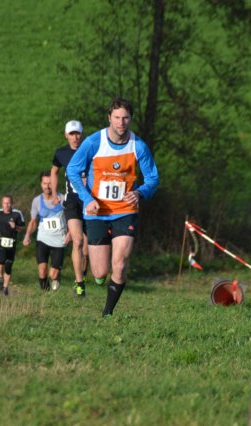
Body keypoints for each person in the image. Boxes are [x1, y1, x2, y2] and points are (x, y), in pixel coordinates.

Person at [66, 97, 159, 316]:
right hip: (97, 211)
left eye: (125, 118)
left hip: (125, 210)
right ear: (109, 118)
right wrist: (87, 199)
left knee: (120, 263)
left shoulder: (138, 146)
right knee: (100, 272)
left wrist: (140, 192)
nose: (121, 122)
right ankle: (100, 277)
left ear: (131, 119)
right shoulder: (93, 142)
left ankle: (107, 313)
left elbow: (153, 178)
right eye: (117, 117)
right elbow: (72, 170)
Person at [50, 120, 89, 297]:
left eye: (78, 133)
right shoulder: (61, 153)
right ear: (66, 135)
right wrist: (54, 193)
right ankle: (79, 284)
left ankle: (84, 275)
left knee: (88, 246)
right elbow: (54, 171)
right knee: (78, 241)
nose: (75, 137)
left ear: (82, 134)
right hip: (72, 201)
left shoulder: (90, 150)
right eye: (72, 134)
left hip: (90, 201)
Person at [23, 171, 69, 292]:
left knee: (53, 274)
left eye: (50, 183)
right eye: (45, 183)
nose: (47, 186)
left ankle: (56, 277)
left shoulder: (63, 199)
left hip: (59, 240)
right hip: (43, 238)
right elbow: (33, 222)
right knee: (42, 269)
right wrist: (27, 236)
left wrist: (70, 234)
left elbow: (72, 219)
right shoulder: (37, 201)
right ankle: (45, 293)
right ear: (41, 184)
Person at [0, 195, 25, 296]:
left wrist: (15, 227)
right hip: (0, 241)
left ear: (12, 203)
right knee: (2, 259)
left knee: (8, 265)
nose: (7, 205)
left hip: (12, 243)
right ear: (2, 203)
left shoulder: (17, 214)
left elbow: (22, 228)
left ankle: (5, 287)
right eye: (5, 203)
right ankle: (1, 277)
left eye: (9, 203)